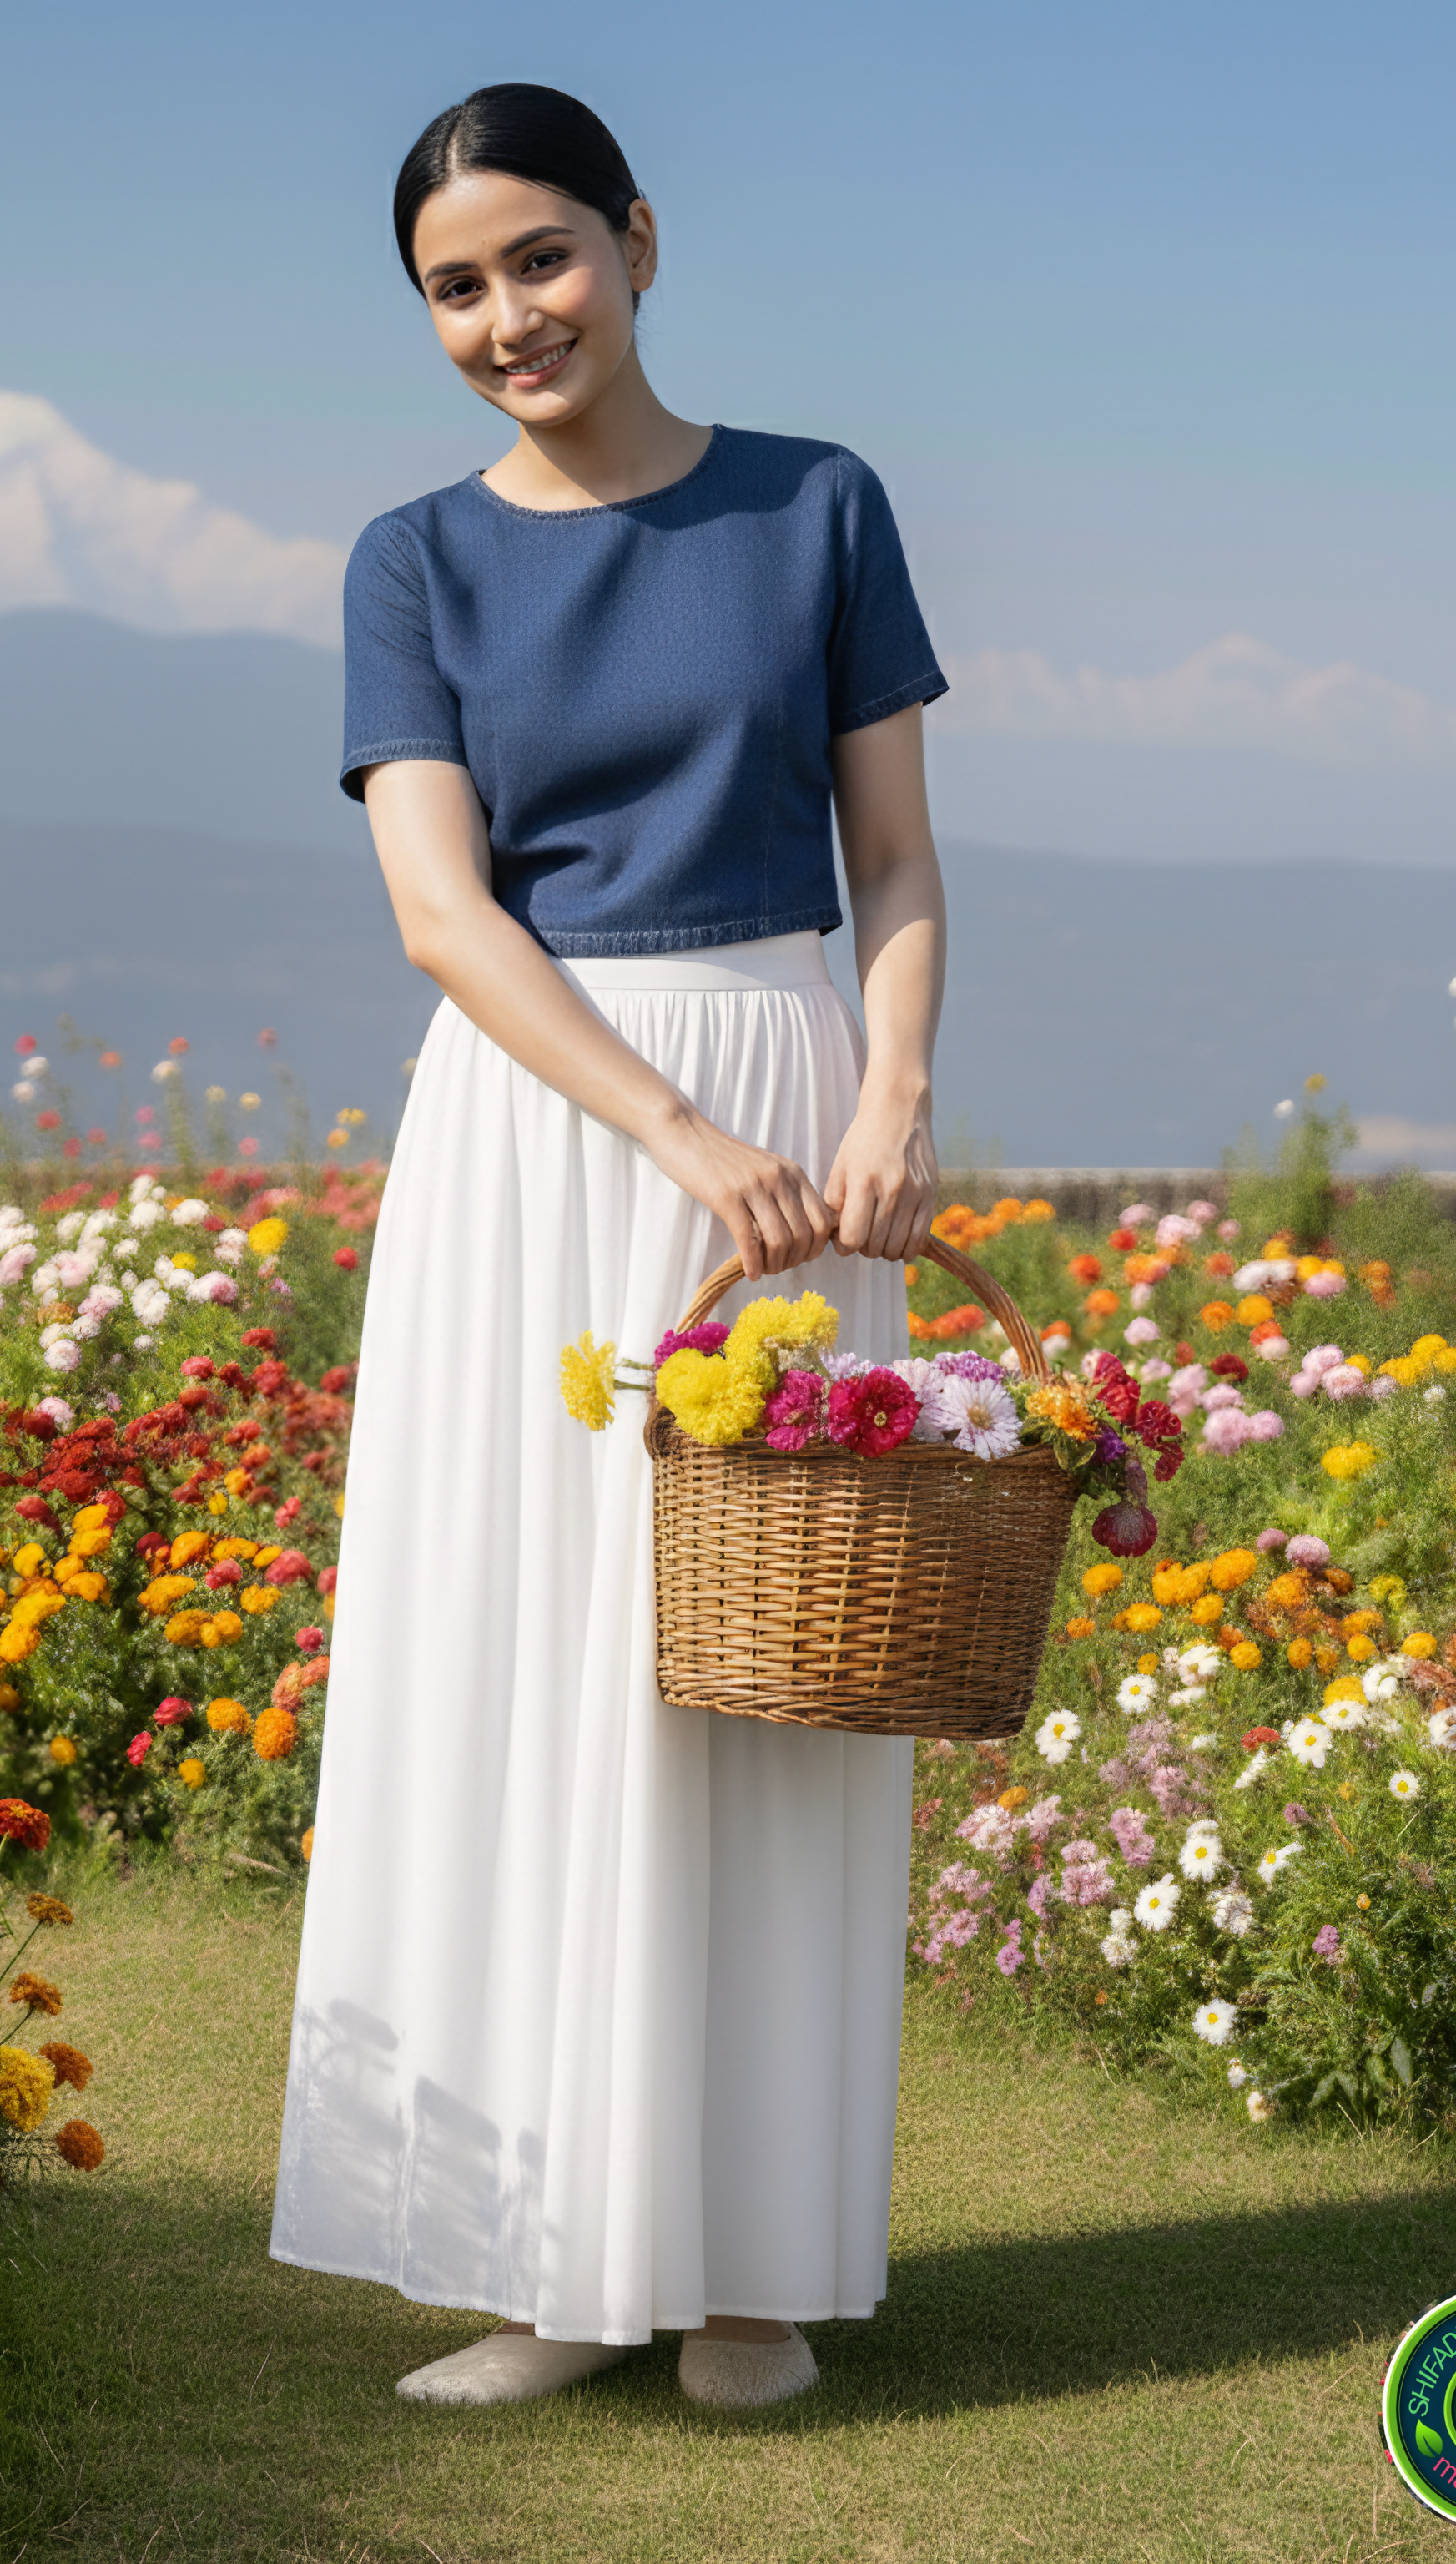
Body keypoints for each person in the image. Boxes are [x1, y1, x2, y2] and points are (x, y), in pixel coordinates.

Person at [268, 83, 950, 2411]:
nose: (503, 317)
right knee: (526, 1673)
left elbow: (900, 866)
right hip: (546, 1135)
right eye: (454, 286)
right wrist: (669, 1125)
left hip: (790, 1115)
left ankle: (747, 2264)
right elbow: (443, 916)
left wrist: (886, 1091)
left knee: (757, 1684)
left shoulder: (818, 504)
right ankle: (557, 2265)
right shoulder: (412, 562)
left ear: (639, 243)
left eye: (539, 258)